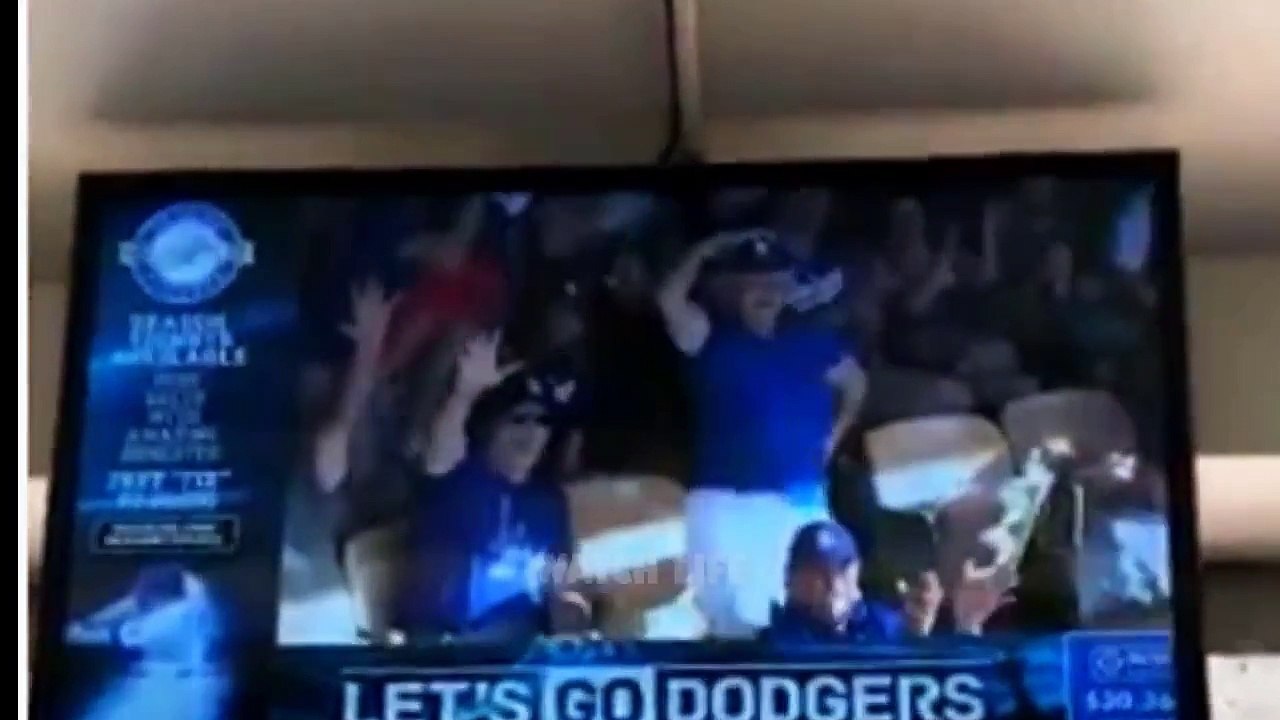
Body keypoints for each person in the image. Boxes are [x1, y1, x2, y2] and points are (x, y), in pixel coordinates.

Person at [655, 228, 868, 638]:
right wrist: (708, 246)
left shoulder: (813, 343)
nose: (764, 290)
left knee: (822, 618)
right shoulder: (710, 338)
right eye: (752, 281)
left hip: (803, 503)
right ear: (733, 289)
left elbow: (856, 386)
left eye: (774, 280)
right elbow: (669, 299)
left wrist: (835, 434)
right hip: (726, 502)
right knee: (736, 626)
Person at [762, 521, 1011, 645]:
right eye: (815, 572)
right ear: (790, 579)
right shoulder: (772, 645)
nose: (832, 582)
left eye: (841, 569)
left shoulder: (887, 624)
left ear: (856, 573)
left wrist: (966, 626)